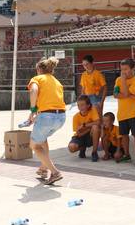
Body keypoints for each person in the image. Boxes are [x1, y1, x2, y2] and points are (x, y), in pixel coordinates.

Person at [25, 57, 66, 185]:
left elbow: (33, 90)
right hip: (61, 117)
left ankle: (54, 172)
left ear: (38, 69)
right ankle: (43, 168)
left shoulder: (37, 79)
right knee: (42, 139)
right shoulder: (56, 81)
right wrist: (37, 113)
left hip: (47, 117)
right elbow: (50, 101)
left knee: (34, 146)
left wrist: (32, 110)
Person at [113, 59, 135, 162]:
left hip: (134, 112)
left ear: (132, 69)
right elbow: (115, 94)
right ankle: (126, 154)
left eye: (125, 69)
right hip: (122, 113)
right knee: (124, 135)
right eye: (122, 69)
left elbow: (124, 93)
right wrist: (130, 95)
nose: (123, 72)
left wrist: (124, 82)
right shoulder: (118, 80)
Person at [68, 94, 100, 161]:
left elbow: (98, 122)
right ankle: (82, 148)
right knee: (71, 148)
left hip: (90, 136)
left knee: (95, 127)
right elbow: (78, 134)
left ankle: (94, 152)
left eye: (82, 105)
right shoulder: (75, 117)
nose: (80, 107)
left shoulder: (92, 110)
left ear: (88, 105)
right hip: (80, 136)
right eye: (78, 105)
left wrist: (85, 125)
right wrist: (89, 129)